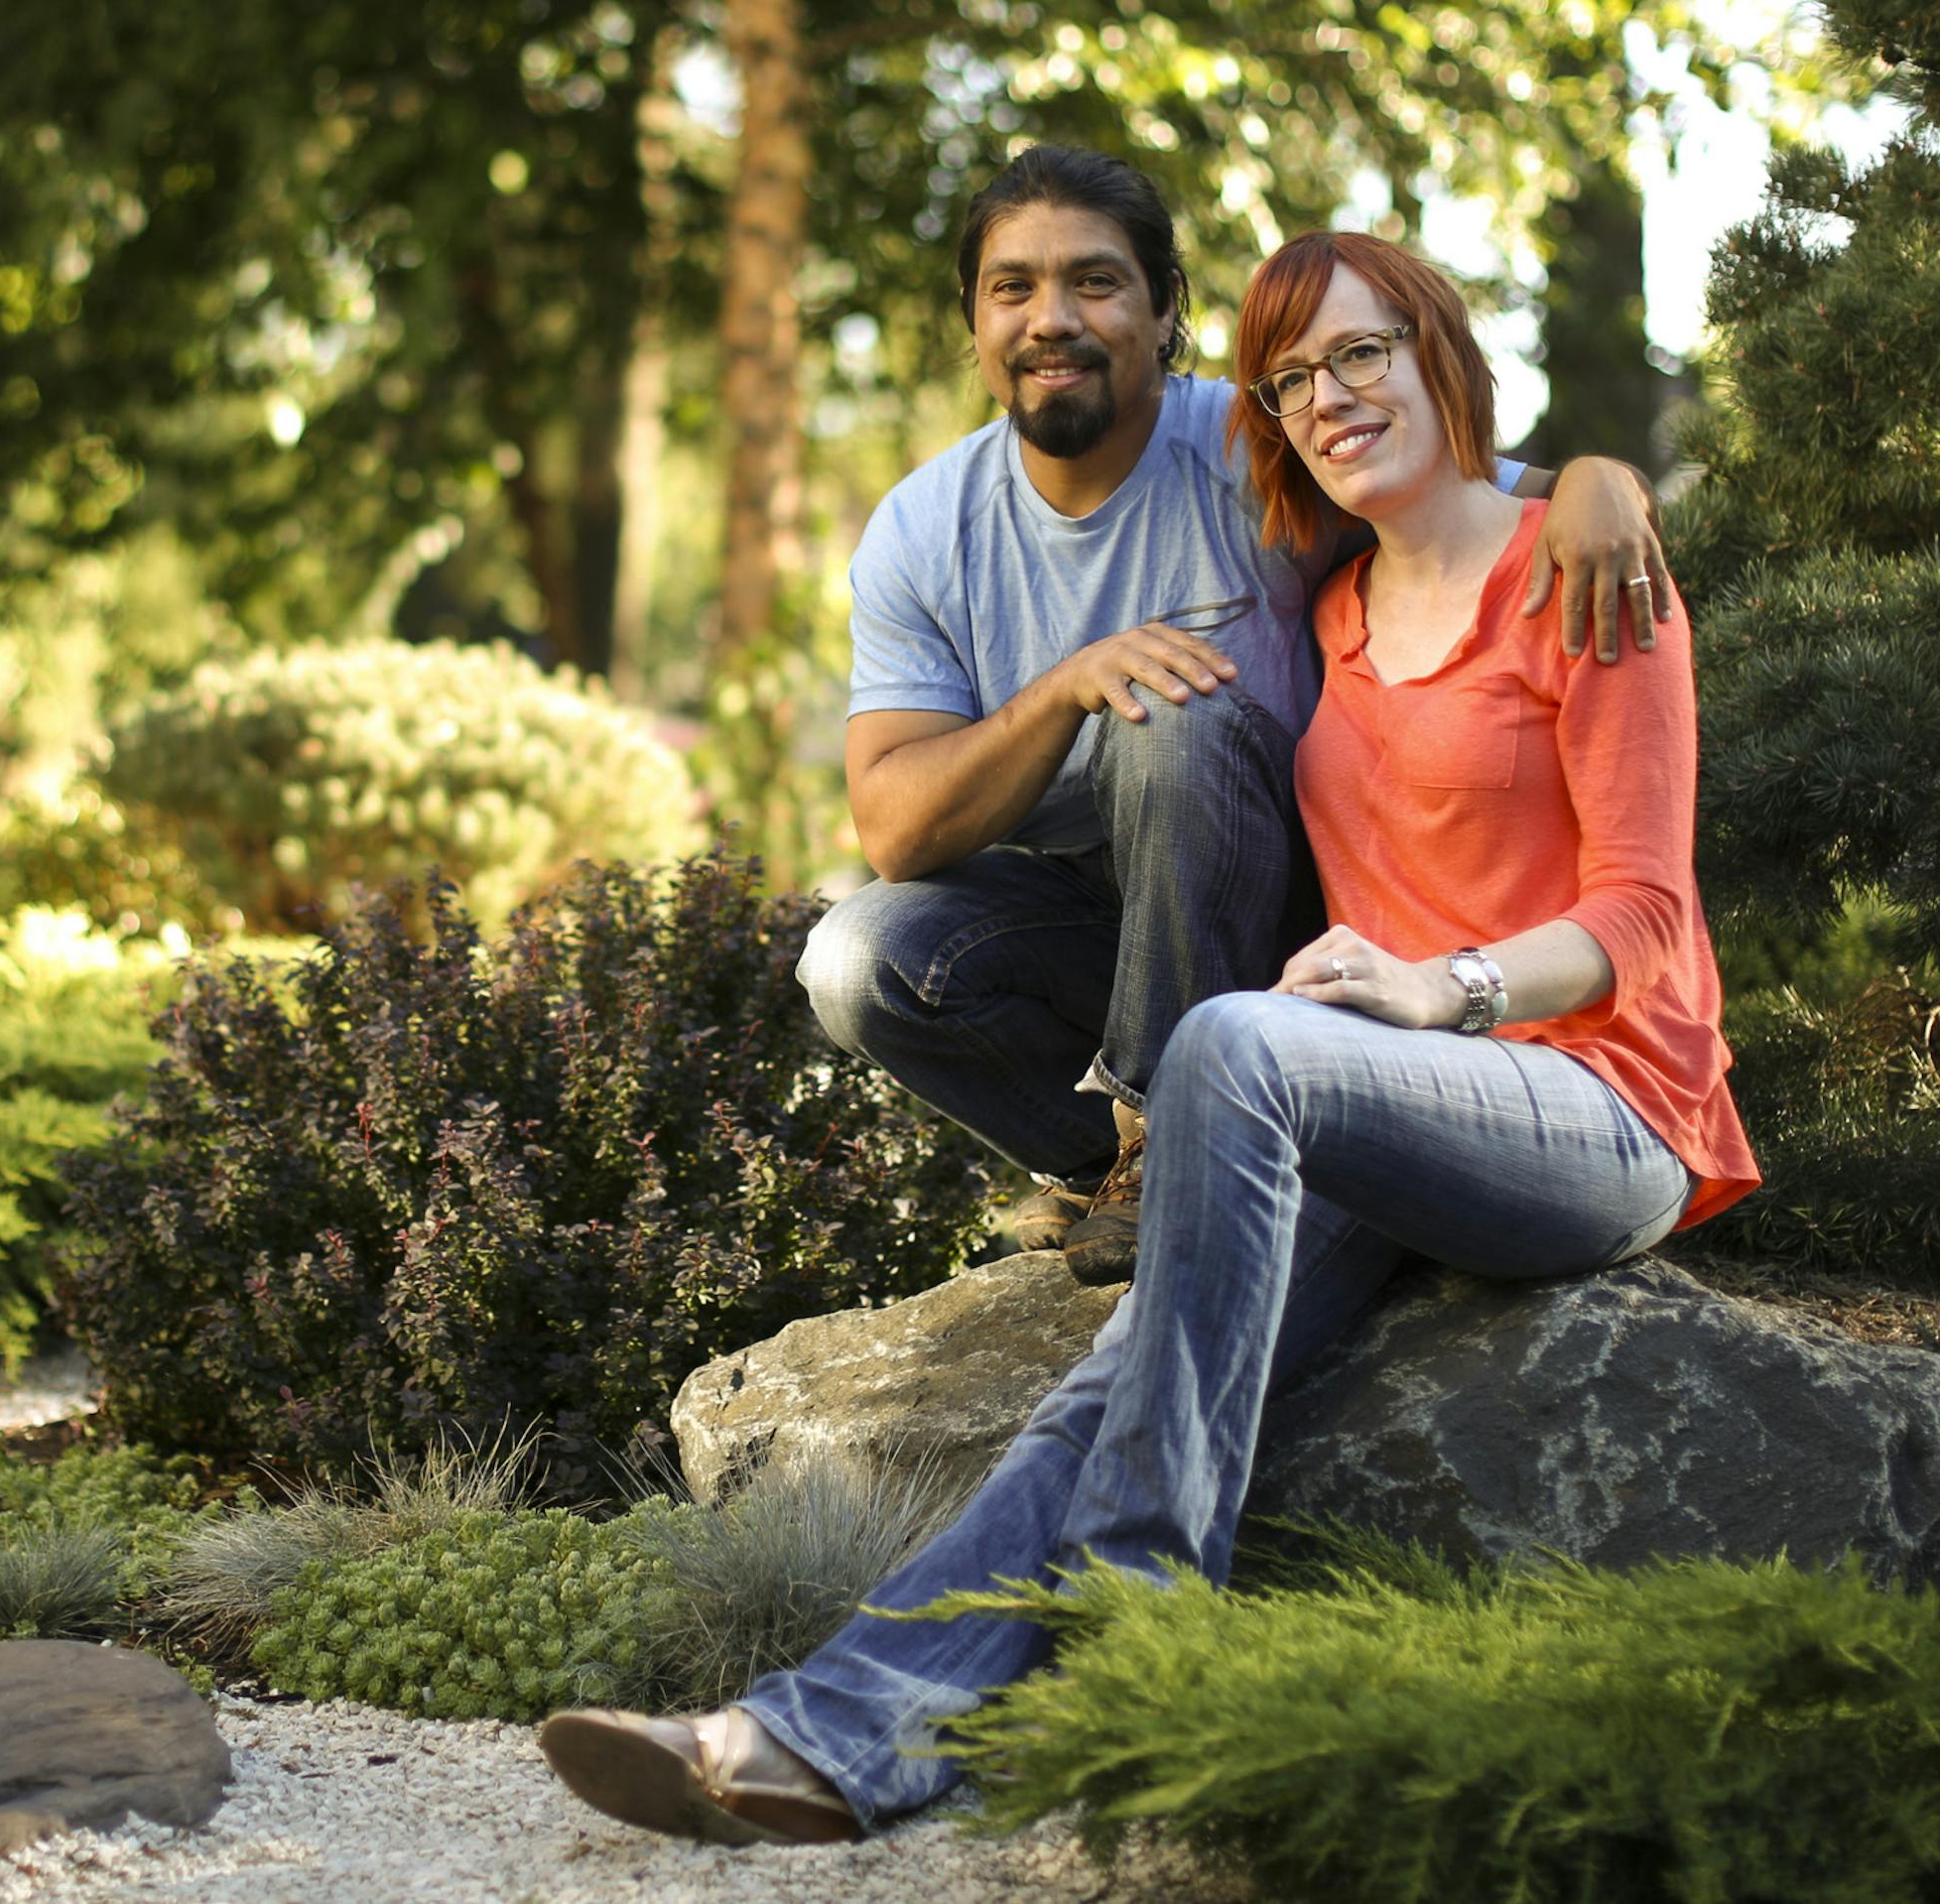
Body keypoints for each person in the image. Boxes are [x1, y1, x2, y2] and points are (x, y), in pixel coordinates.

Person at [538, 229, 1759, 1845]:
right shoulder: (1326, 596)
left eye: (1362, 353)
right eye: (1291, 378)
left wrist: (1440, 985)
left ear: (1441, 353)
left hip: (1600, 1107)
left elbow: (1649, 914)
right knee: (1118, 1383)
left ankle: (1143, 1613)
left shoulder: (1582, 571)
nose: (1329, 397)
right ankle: (805, 1741)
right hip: (1394, 1118)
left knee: (1231, 1049)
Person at [793, 145, 1675, 1283]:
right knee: (858, 958)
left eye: (1095, 281)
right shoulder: (924, 531)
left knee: (1174, 715)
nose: (1051, 317)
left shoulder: (1259, 443)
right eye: (1013, 287)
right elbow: (896, 830)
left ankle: (1171, 1142)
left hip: (1289, 915)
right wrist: (1065, 686)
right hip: (1089, 923)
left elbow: (1492, 499)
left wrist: (1606, 478)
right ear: (974, 320)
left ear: (1166, 310)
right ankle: (1124, 1165)